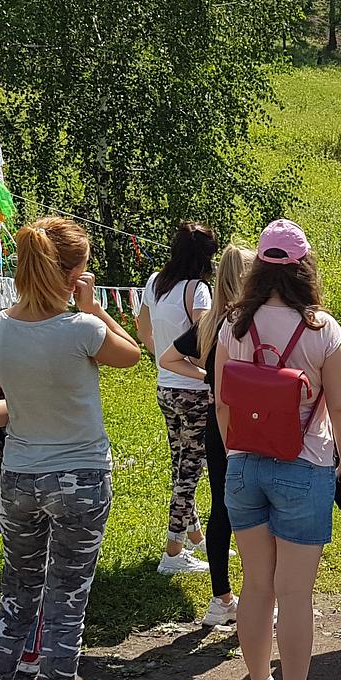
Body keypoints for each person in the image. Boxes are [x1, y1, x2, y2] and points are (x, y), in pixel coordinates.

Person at [0, 218, 143, 680]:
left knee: (16, 601)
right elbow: (132, 355)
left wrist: (25, 405)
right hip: (81, 479)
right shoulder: (82, 329)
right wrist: (94, 307)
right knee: (66, 607)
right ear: (71, 274)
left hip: (19, 479)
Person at [212, 220, 341, 680]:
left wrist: (236, 451)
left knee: (256, 585)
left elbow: (222, 402)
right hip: (305, 464)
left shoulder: (234, 324)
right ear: (304, 267)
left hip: (244, 465)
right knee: (295, 594)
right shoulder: (323, 329)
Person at [160, 243, 255, 626]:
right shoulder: (248, 322)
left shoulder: (211, 322)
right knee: (256, 511)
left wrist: (207, 377)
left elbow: (167, 358)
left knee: (221, 508)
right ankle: (259, 597)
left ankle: (221, 598)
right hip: (251, 422)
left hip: (218, 426)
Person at [137, 221, 220, 577]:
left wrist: (163, 357)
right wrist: (201, 371)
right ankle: (172, 553)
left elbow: (143, 328)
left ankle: (194, 536)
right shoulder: (198, 290)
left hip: (166, 388)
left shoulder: (155, 281)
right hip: (195, 391)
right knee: (190, 472)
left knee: (181, 464)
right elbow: (204, 339)